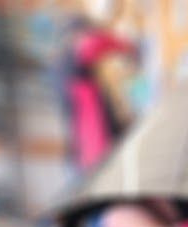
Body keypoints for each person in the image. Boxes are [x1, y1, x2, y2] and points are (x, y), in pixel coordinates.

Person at [55, 16, 137, 171]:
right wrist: (127, 46)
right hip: (99, 137)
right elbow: (94, 44)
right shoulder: (74, 56)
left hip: (89, 142)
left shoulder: (61, 65)